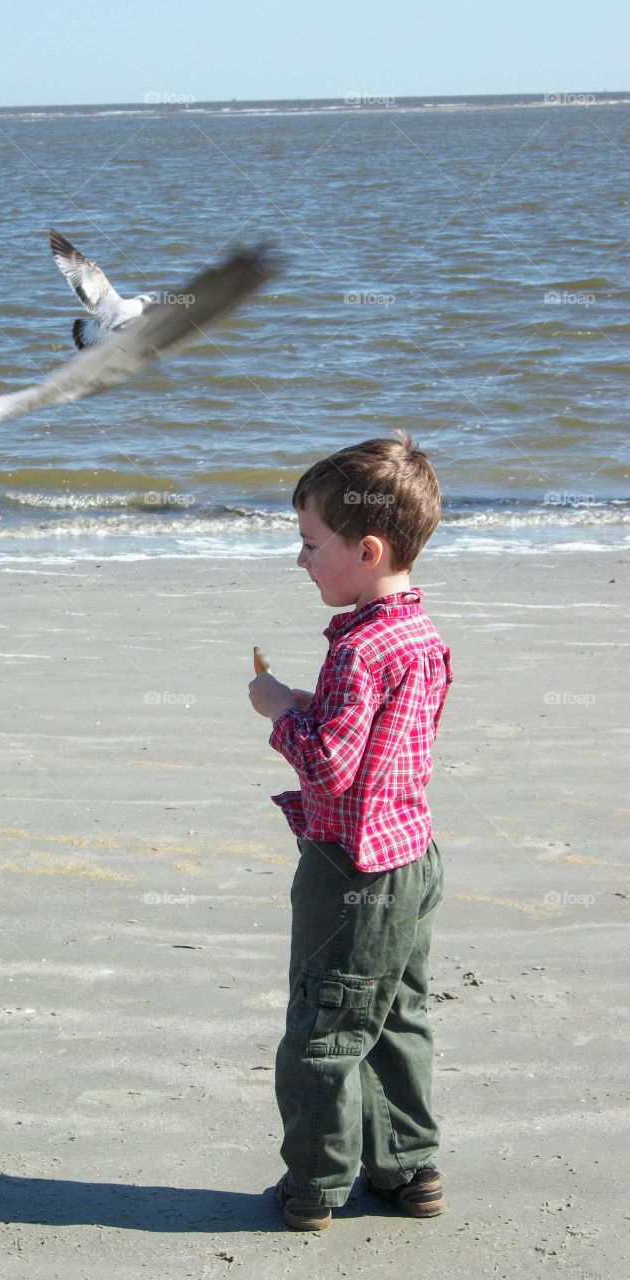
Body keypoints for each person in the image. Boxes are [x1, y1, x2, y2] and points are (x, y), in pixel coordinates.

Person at [248, 431, 453, 1232]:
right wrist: (313, 704)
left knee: (325, 1027)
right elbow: (382, 741)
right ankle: (409, 1170)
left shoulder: (360, 649)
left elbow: (331, 766)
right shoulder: (419, 635)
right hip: (413, 856)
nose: (300, 559)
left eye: (309, 544)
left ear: (367, 550)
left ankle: (313, 1187)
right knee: (398, 1014)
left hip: (352, 871)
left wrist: (280, 713)